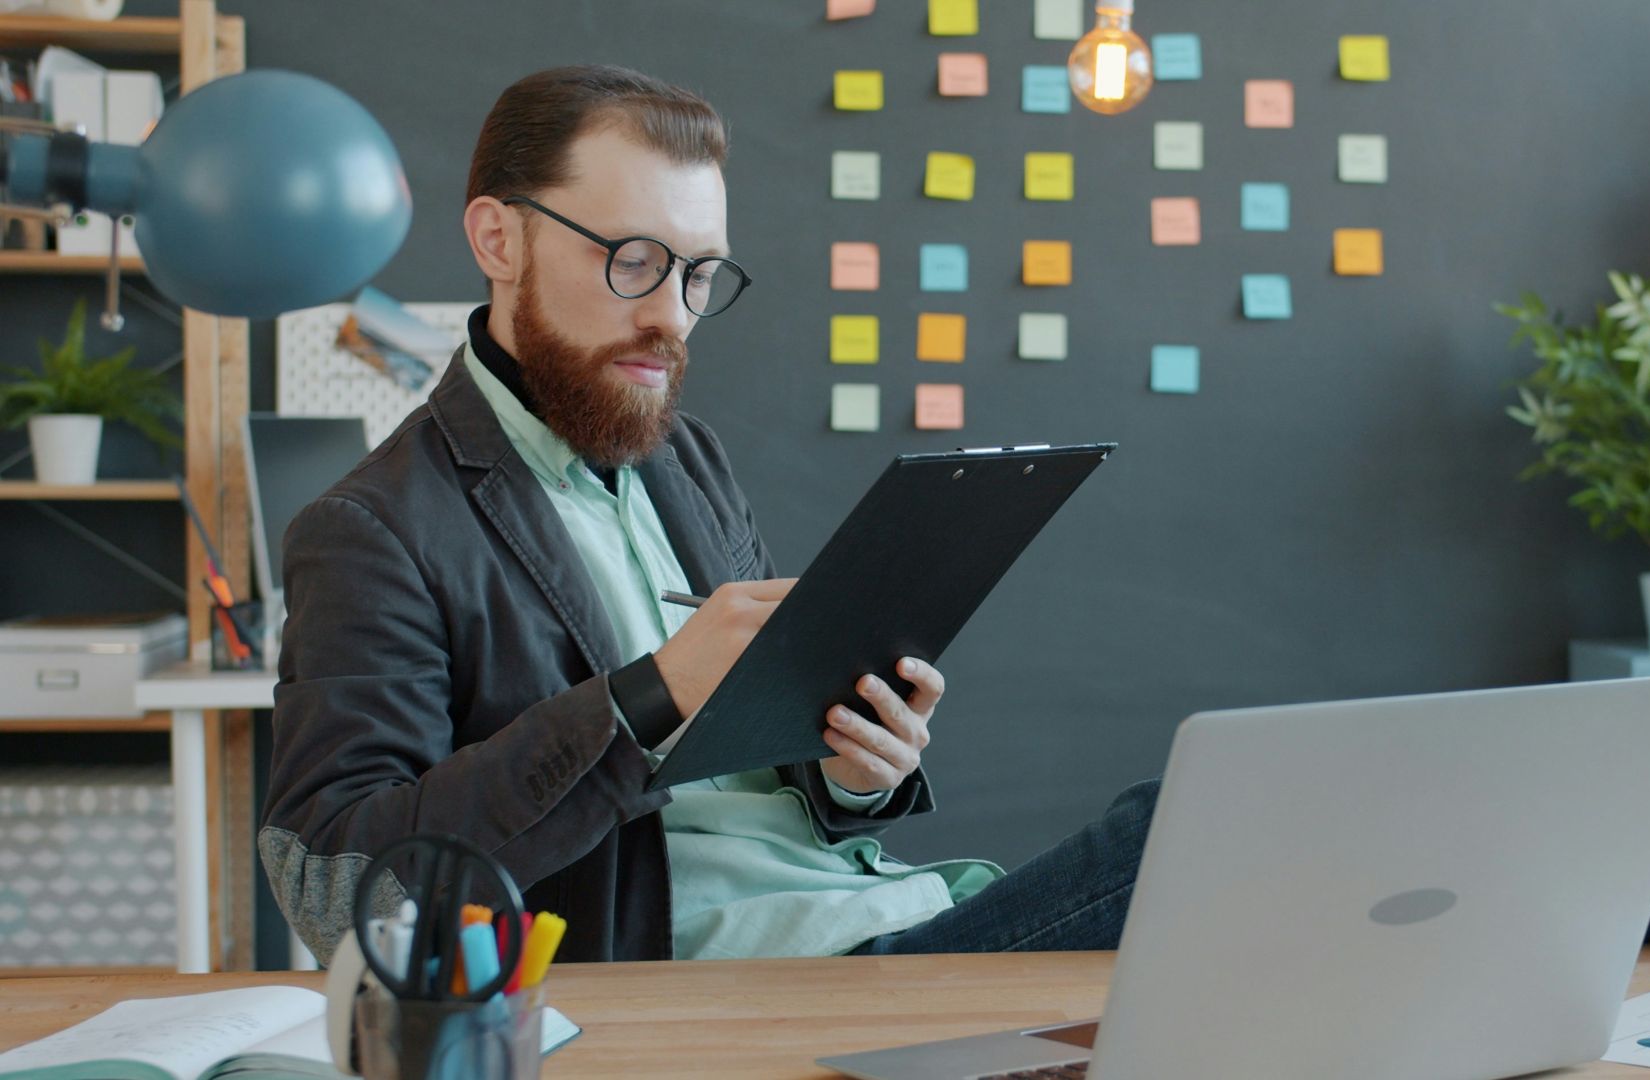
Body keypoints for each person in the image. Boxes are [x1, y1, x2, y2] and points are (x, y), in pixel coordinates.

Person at [258, 64, 1154, 965]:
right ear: (499, 239)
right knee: (1171, 834)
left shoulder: (688, 460)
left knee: (1225, 840)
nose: (672, 317)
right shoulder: (372, 530)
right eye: (634, 262)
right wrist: (648, 696)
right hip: (730, 983)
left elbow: (761, 772)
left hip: (883, 907)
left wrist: (851, 773)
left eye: (699, 273)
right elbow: (336, 892)